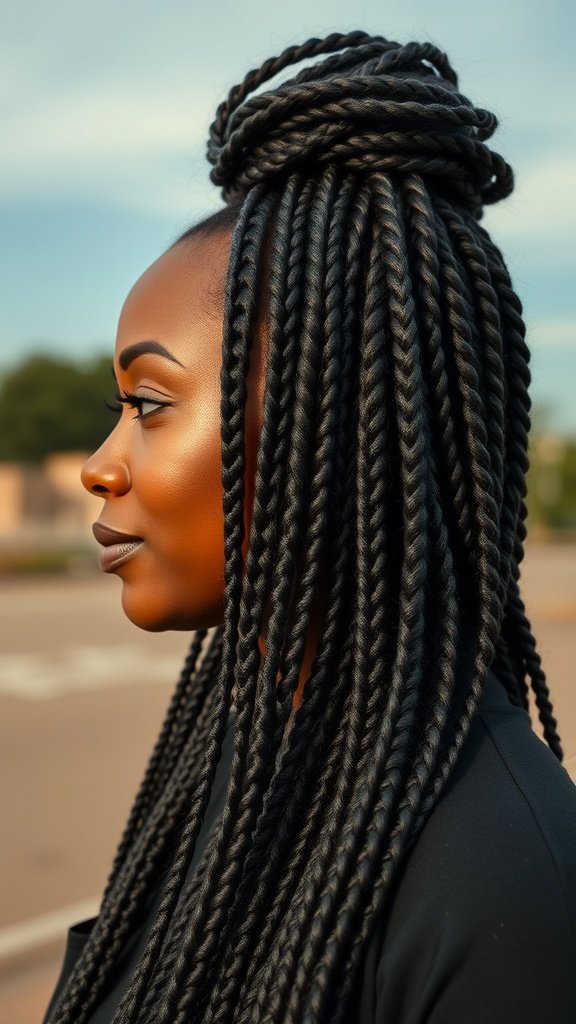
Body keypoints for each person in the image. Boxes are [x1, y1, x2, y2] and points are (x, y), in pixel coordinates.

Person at [44, 29, 576, 1024]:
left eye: (149, 403)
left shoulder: (509, 877)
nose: (99, 463)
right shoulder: (232, 769)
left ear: (333, 417)